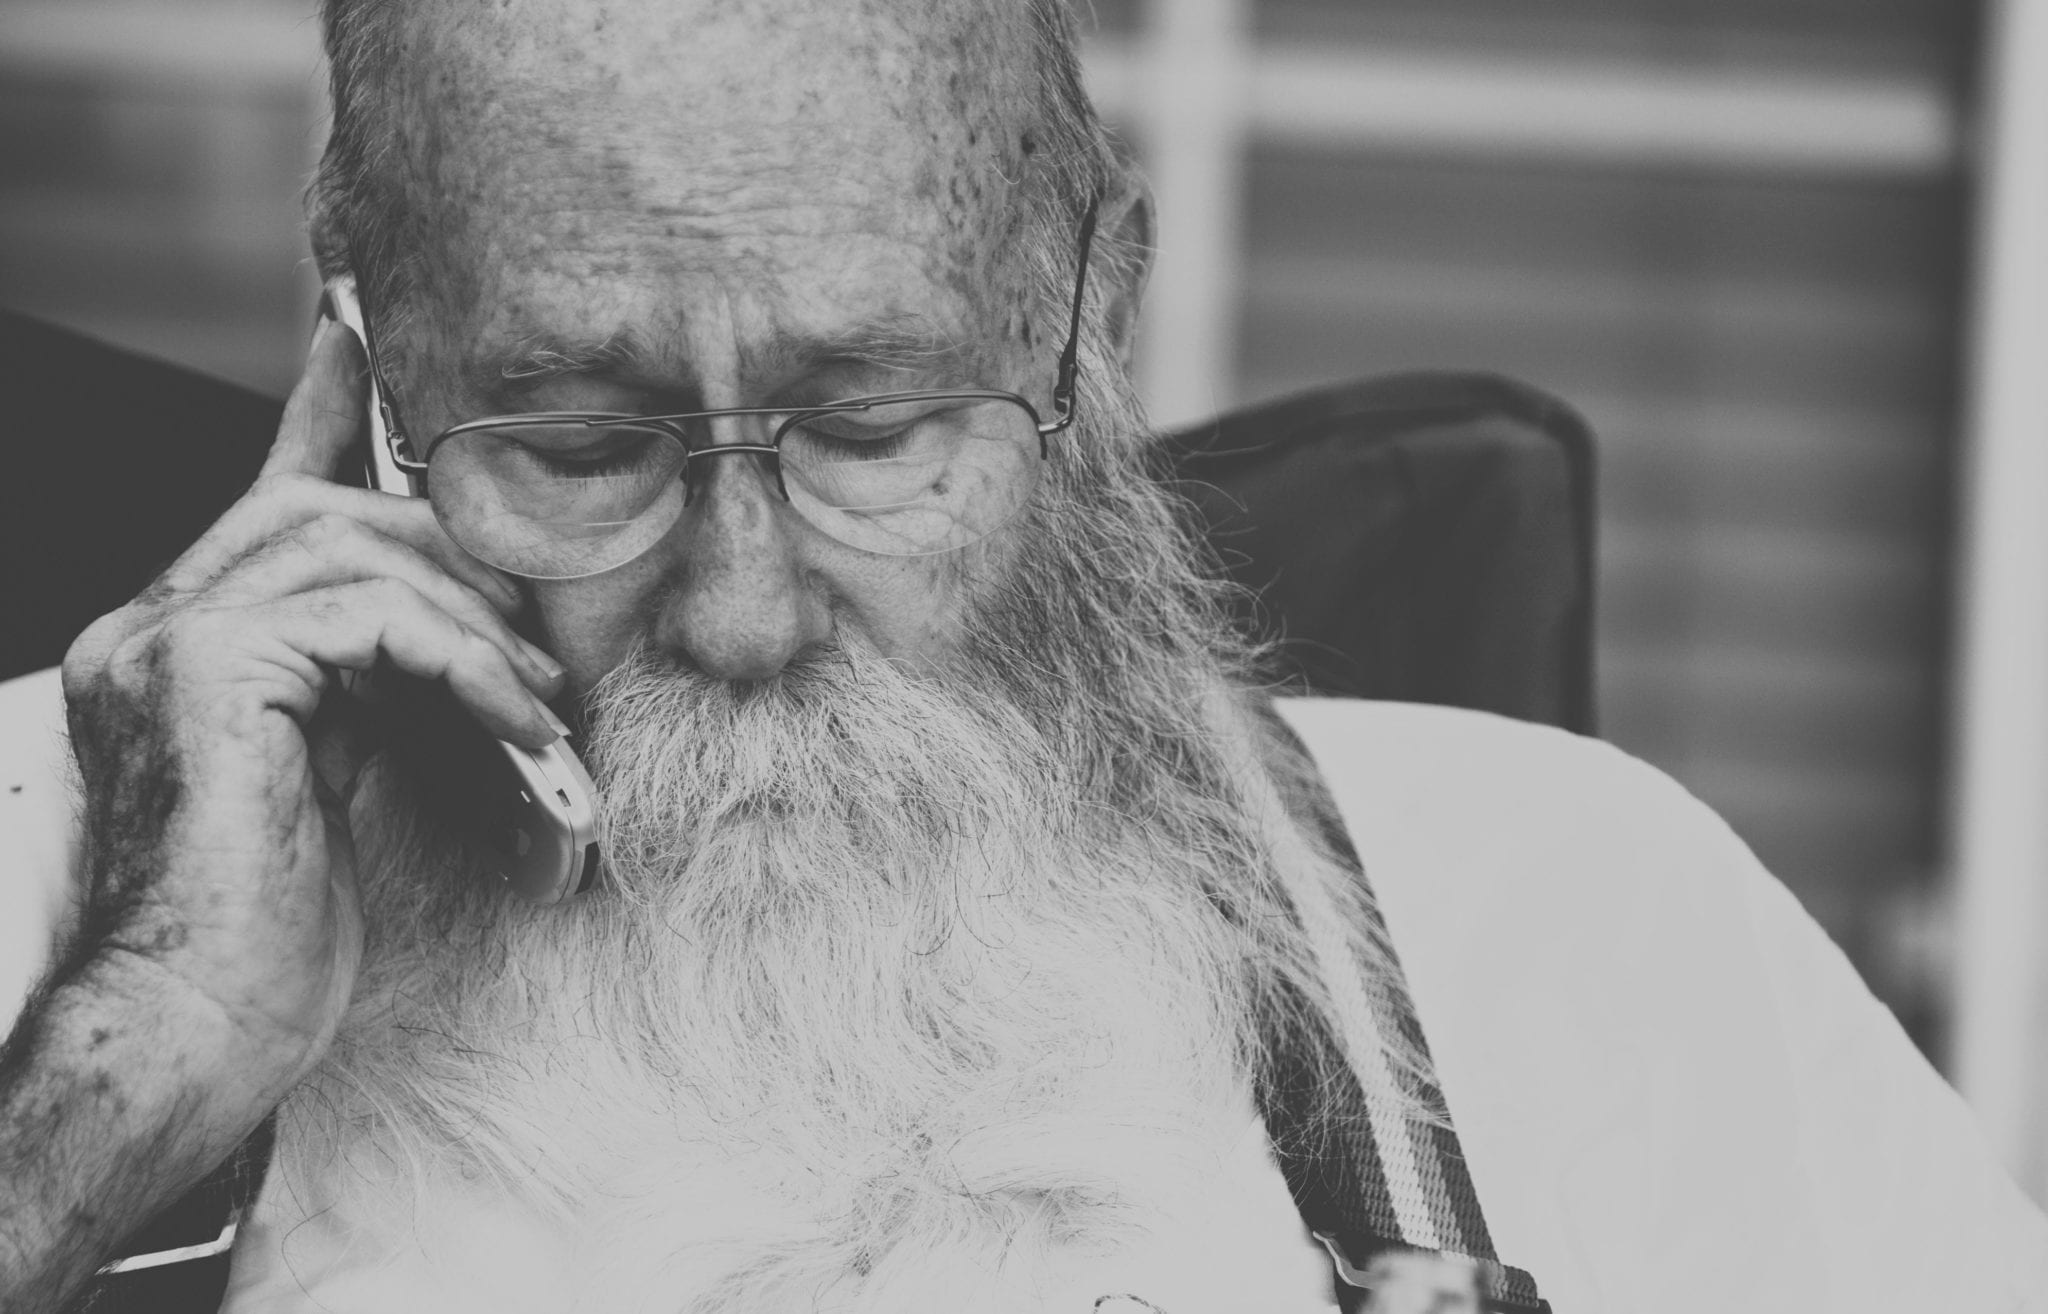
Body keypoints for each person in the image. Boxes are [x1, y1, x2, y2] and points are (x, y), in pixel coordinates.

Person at [1, 0, 2044, 1309]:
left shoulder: (1587, 913)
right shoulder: (64, 878)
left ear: (1094, 311)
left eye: (875, 428)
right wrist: (145, 1036)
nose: (739, 606)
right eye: (575, 444)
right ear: (363, 363)